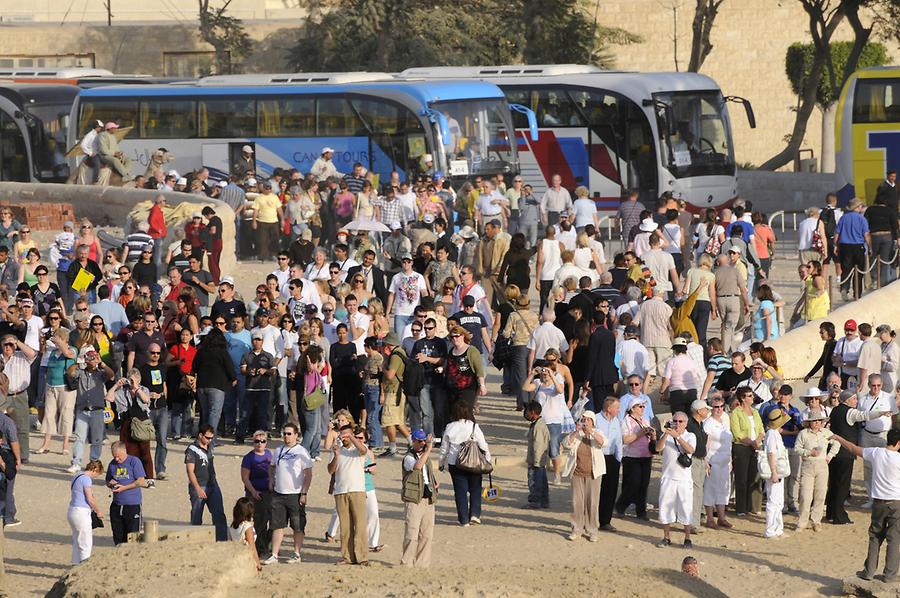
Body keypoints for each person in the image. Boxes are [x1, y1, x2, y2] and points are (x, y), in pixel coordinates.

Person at [831, 428, 900, 582]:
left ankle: (868, 571)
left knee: (875, 536)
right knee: (894, 539)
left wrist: (839, 438)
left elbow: (853, 448)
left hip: (878, 503)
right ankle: (889, 575)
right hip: (896, 503)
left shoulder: (876, 453)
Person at [826, 390, 891, 525]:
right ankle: (839, 516)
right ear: (847, 400)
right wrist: (881, 413)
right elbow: (865, 415)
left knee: (833, 483)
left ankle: (830, 513)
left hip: (833, 452)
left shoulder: (834, 410)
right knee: (843, 485)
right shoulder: (850, 412)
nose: (856, 401)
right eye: (854, 399)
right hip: (845, 452)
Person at [264, 422, 313, 564]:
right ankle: (274, 554)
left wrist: (304, 492)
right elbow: (272, 466)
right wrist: (271, 480)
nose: (286, 436)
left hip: (295, 493)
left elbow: (308, 474)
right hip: (279, 492)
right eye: (284, 433)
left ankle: (296, 553)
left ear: (296, 435)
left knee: (297, 525)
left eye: (289, 433)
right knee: (277, 525)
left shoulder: (302, 452)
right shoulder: (278, 450)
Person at [440, 400, 490, 526]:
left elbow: (444, 448)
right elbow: (483, 445)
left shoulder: (450, 427)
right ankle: (475, 514)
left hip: (455, 463)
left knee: (460, 492)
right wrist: (488, 460)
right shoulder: (473, 426)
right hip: (474, 462)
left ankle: (463, 519)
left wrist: (441, 462)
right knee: (475, 489)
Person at [66, 345, 115, 473]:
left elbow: (111, 375)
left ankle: (94, 462)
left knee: (97, 439)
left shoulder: (101, 374)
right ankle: (76, 462)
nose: (92, 360)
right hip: (82, 410)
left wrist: (102, 364)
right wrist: (78, 362)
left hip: (97, 410)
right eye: (90, 358)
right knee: (79, 438)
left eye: (94, 358)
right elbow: (70, 373)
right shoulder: (81, 372)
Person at [327, 423, 369, 565]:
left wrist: (351, 436)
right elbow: (330, 470)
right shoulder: (337, 450)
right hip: (341, 491)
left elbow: (364, 451)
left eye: (346, 435)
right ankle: (347, 556)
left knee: (360, 525)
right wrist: (336, 455)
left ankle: (362, 556)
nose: (343, 437)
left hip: (357, 490)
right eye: (342, 434)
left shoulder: (357, 449)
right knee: (345, 527)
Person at [561, 410, 606, 542]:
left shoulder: (597, 433)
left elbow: (603, 442)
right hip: (577, 473)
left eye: (588, 420)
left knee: (592, 503)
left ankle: (592, 530)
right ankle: (576, 529)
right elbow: (566, 443)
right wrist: (576, 431)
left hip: (594, 474)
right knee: (577, 503)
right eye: (583, 419)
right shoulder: (577, 435)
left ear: (593, 422)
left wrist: (591, 431)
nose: (585, 422)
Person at [655, 411, 696, 548]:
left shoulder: (690, 436)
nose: (677, 424)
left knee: (686, 508)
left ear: (685, 423)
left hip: (684, 479)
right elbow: (658, 448)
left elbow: (690, 450)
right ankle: (666, 537)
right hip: (668, 478)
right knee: (666, 508)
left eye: (680, 422)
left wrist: (677, 437)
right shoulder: (667, 435)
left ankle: (687, 538)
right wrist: (666, 433)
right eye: (675, 421)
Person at [794, 410, 837, 532]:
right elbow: (797, 448)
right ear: (810, 422)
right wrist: (808, 452)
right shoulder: (803, 433)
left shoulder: (826, 433)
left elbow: (836, 442)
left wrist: (830, 456)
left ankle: (816, 521)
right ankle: (802, 522)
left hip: (822, 465)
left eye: (819, 420)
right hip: (808, 464)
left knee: (820, 494)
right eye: (814, 421)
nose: (817, 423)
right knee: (805, 495)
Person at [185, 423, 228, 541]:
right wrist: (197, 488)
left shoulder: (210, 447)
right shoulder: (191, 450)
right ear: (200, 435)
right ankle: (194, 541)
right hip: (199, 485)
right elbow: (190, 471)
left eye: (211, 438)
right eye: (207, 437)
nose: (210, 440)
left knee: (219, 514)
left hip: (213, 484)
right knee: (196, 515)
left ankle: (222, 541)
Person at [401, 429, 438, 567]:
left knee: (427, 534)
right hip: (413, 499)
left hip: (427, 499)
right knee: (412, 534)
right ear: (414, 442)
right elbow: (417, 467)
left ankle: (422, 563)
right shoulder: (408, 457)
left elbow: (427, 472)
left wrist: (434, 483)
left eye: (424, 441)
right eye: (420, 441)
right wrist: (428, 450)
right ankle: (407, 563)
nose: (422, 443)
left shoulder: (425, 457)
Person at [617, 396, 655, 520]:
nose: (643, 408)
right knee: (633, 483)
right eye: (640, 406)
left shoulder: (644, 420)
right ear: (632, 408)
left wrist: (652, 434)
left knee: (644, 484)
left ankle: (641, 511)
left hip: (646, 455)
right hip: (631, 456)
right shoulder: (626, 421)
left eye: (643, 406)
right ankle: (621, 506)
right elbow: (625, 439)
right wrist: (640, 433)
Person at [731, 387, 764, 516]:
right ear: (742, 398)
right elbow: (737, 433)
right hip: (742, 447)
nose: (752, 398)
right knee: (742, 478)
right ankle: (741, 508)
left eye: (752, 395)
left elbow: (761, 429)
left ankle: (753, 506)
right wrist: (752, 442)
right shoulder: (736, 413)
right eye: (749, 396)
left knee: (754, 477)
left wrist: (758, 440)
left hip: (755, 446)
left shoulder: (755, 412)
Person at [106, 441, 146, 545]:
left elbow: (141, 481)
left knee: (133, 536)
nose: (116, 459)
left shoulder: (134, 461)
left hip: (132, 504)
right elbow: (108, 480)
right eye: (114, 456)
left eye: (118, 456)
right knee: (118, 535)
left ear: (124, 451)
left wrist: (124, 488)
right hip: (117, 504)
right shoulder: (112, 464)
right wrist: (110, 483)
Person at [241, 430, 273, 560]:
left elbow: (272, 470)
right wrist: (253, 492)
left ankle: (267, 546)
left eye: (262, 441)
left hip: (268, 491)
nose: (260, 444)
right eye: (257, 441)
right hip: (254, 492)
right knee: (259, 522)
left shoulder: (269, 454)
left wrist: (271, 481)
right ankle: (261, 549)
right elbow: (245, 478)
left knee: (272, 520)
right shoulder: (249, 458)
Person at [68, 459, 105, 564]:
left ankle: (75, 564)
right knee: (85, 543)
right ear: (94, 470)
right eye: (97, 474)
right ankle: (84, 565)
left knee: (77, 541)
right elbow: (90, 498)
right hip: (81, 512)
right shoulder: (86, 479)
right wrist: (98, 511)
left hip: (72, 510)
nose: (96, 477)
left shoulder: (77, 475)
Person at [594, 396, 623, 531]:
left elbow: (618, 441)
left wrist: (619, 459)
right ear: (609, 408)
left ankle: (605, 521)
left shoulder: (616, 421)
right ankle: (592, 519)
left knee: (610, 490)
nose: (619, 410)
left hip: (612, 458)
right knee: (595, 489)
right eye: (617, 407)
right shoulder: (595, 419)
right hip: (598, 456)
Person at [763, 408, 790, 539]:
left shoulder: (775, 433)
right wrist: (774, 472)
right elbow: (771, 454)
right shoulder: (772, 434)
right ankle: (770, 530)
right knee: (773, 500)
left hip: (779, 469)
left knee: (778, 500)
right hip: (775, 470)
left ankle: (778, 529)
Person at [229, 497, 262, 572]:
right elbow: (252, 547)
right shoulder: (247, 527)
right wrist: (258, 564)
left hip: (236, 557)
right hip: (246, 558)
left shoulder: (232, 526)